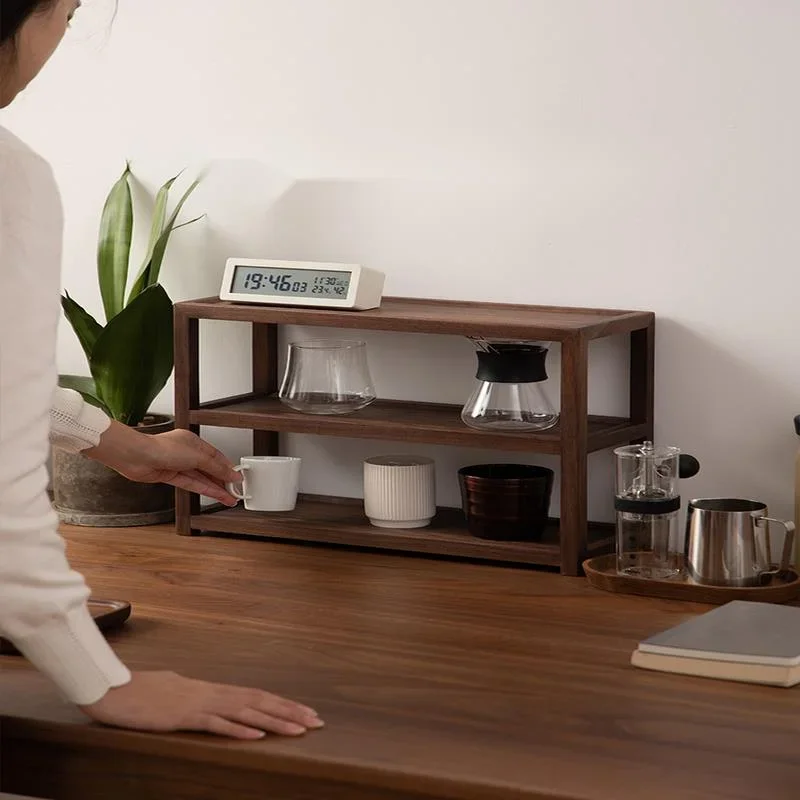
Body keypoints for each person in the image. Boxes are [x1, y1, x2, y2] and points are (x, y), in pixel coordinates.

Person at [0, 0, 323, 740]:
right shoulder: (9, 176)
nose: (61, 38)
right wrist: (102, 681)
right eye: (71, 13)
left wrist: (127, 445)